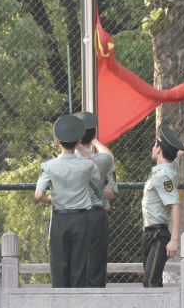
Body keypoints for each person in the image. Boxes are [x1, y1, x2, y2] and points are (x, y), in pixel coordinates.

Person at [34, 114, 100, 288]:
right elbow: (97, 176)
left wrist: (51, 200)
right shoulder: (86, 165)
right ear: (78, 140)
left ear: (57, 141)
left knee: (59, 265)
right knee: (79, 265)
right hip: (82, 218)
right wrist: (81, 147)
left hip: (60, 218)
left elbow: (38, 195)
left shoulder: (48, 166)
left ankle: (59, 299)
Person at [141, 125, 184, 288]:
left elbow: (175, 205)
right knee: (151, 281)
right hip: (149, 234)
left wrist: (174, 240)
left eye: (154, 145)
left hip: (158, 235)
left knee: (150, 282)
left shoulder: (163, 176)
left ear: (159, 149)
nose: (152, 148)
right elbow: (180, 153)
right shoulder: (170, 166)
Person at [73, 111, 115, 287]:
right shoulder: (103, 160)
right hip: (97, 215)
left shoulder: (66, 160)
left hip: (73, 215)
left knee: (75, 264)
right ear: (93, 134)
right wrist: (95, 140)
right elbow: (110, 192)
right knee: (97, 264)